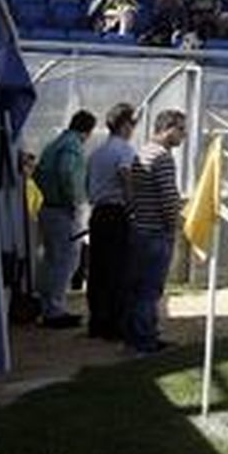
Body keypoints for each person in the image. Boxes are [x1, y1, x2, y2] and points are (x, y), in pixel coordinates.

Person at [126, 110, 187, 355]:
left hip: (140, 229)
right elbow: (169, 198)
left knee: (138, 289)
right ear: (168, 128)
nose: (183, 135)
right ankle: (146, 342)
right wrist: (177, 224)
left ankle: (136, 337)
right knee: (150, 290)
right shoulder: (162, 157)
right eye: (181, 129)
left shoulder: (142, 152)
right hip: (155, 233)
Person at [34, 109, 96, 328]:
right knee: (66, 259)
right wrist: (72, 201)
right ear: (88, 130)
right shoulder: (72, 145)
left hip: (48, 207)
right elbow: (67, 172)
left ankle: (46, 305)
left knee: (52, 259)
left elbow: (38, 173)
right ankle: (55, 310)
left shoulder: (55, 143)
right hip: (62, 210)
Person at [85, 104, 137, 340]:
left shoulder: (97, 153)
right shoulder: (124, 150)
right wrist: (133, 205)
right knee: (118, 270)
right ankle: (115, 324)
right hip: (116, 212)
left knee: (98, 270)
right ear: (126, 125)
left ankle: (97, 321)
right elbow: (126, 177)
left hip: (98, 212)